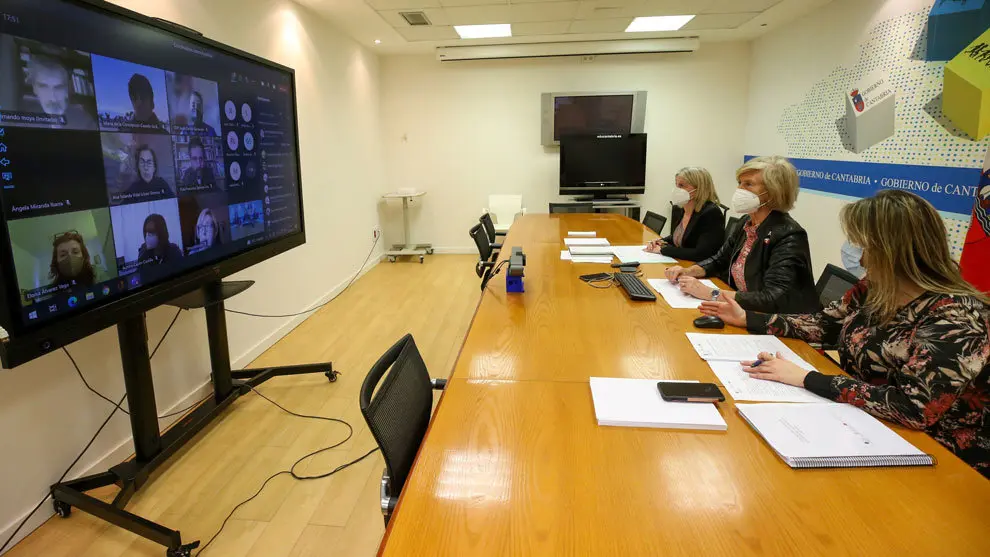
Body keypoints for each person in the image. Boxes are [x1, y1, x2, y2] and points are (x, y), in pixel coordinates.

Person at [700, 190, 990, 477]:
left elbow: (914, 408)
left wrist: (807, 378)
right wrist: (748, 318)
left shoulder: (956, 316)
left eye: (866, 247)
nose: (861, 260)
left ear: (895, 251)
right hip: (862, 425)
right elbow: (826, 324)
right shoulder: (875, 287)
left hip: (940, 460)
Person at [664, 156, 820, 314]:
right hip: (744, 311)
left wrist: (711, 293)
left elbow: (775, 298)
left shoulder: (789, 235)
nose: (739, 189)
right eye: (740, 183)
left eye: (748, 184)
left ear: (773, 191)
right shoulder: (746, 222)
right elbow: (719, 260)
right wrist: (688, 271)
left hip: (777, 322)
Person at [645, 167, 725, 261]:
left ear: (699, 188)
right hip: (681, 263)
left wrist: (663, 250)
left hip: (697, 269)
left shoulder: (711, 213)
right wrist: (661, 242)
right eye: (677, 185)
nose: (677, 189)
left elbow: (701, 254)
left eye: (682, 185)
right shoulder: (684, 208)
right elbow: (680, 236)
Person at [23, 54, 97, 130]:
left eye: (59, 87)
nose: (53, 98)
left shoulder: (84, 119)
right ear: (34, 88)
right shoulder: (23, 114)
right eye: (43, 87)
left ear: (68, 89)